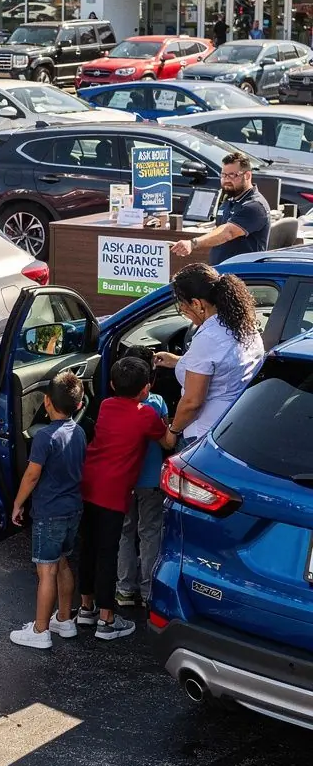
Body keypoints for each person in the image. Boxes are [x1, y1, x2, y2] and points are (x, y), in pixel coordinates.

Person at [78, 357, 176, 641]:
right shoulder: (146, 414)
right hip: (114, 491)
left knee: (89, 548)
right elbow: (168, 442)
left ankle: (86, 608)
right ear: (146, 389)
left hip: (89, 482)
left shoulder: (107, 405)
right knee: (108, 553)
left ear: (111, 384)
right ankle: (107, 620)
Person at [8, 371, 87, 651]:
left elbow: (31, 476)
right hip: (73, 510)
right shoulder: (79, 433)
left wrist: (18, 503)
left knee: (46, 571)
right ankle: (64, 619)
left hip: (49, 513)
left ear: (46, 402)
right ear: (78, 405)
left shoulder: (44, 437)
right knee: (63, 562)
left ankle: (40, 630)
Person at [153, 263, 264, 444]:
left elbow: (192, 402)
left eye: (183, 305)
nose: (182, 310)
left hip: (203, 434)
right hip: (235, 426)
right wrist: (178, 361)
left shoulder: (209, 339)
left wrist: (172, 432)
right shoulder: (244, 325)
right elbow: (224, 365)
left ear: (197, 303)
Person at [115, 347, 168, 609]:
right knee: (150, 533)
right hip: (151, 482)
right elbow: (167, 439)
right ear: (149, 382)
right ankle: (149, 591)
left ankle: (124, 589)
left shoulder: (110, 405)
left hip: (125, 481)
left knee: (125, 532)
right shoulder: (156, 403)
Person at [172, 151, 270, 265]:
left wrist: (193, 243)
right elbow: (220, 229)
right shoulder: (229, 199)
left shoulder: (254, 206)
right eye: (223, 175)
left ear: (247, 175)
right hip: (222, 270)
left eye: (232, 175)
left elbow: (227, 233)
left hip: (243, 275)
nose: (226, 180)